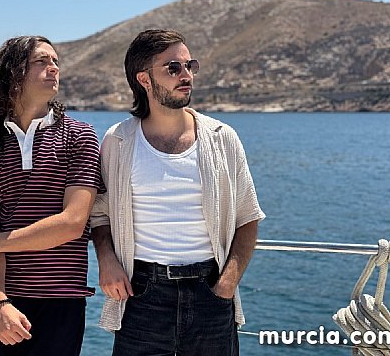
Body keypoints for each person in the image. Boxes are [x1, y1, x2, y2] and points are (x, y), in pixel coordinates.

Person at [90, 29, 265, 356]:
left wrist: (226, 285)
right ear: (144, 79)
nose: (186, 76)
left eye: (190, 66)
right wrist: (107, 259)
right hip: (141, 294)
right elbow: (100, 214)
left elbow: (248, 217)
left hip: (211, 291)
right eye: (173, 68)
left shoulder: (222, 138)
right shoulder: (118, 141)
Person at [0, 36, 103, 356]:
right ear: (13, 72)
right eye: (42, 61)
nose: (54, 68)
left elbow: (72, 223)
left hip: (61, 301)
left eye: (56, 62)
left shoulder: (80, 137)